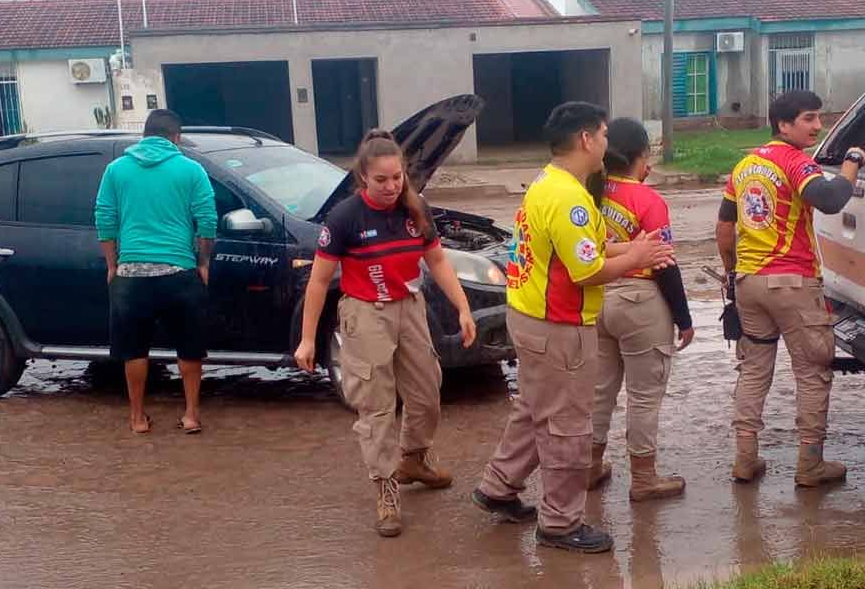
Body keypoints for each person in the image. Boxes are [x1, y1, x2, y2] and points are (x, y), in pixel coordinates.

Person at [473, 102, 673, 555]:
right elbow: (587, 270)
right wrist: (638, 260)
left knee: (534, 409)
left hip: (532, 317)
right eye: (602, 134)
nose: (607, 143)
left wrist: (631, 248)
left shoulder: (552, 184)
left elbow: (590, 246)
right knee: (566, 425)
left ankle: (499, 486)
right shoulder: (568, 197)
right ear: (586, 139)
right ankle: (560, 523)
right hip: (557, 324)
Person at [294, 129, 477, 539]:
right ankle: (386, 487)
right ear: (363, 178)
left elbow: (438, 262)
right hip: (365, 313)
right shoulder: (344, 218)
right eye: (382, 180)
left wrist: (463, 307)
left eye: (397, 177)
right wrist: (307, 339)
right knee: (376, 405)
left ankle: (414, 458)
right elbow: (319, 281)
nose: (392, 186)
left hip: (409, 308)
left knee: (428, 392)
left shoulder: (415, 210)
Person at [715, 90, 865, 488]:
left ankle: (745, 460)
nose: (818, 126)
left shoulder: (744, 165)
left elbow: (724, 229)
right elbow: (832, 199)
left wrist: (732, 274)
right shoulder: (796, 162)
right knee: (813, 371)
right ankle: (810, 465)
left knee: (753, 372)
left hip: (750, 285)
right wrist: (852, 163)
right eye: (809, 119)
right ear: (783, 125)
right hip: (793, 285)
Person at [589, 117, 694, 502]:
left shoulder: (590, 192)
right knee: (644, 395)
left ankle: (590, 466)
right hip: (639, 300)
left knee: (600, 391)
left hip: (598, 296)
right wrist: (683, 319)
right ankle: (644, 478)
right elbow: (664, 262)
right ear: (641, 156)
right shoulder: (648, 200)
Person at [94, 109, 217, 435]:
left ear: (144, 135)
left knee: (134, 350)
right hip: (180, 272)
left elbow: (104, 220)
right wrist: (203, 263)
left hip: (131, 275)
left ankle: (137, 418)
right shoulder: (191, 170)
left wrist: (112, 265)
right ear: (176, 137)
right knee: (189, 348)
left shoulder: (116, 170)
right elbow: (207, 221)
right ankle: (191, 415)